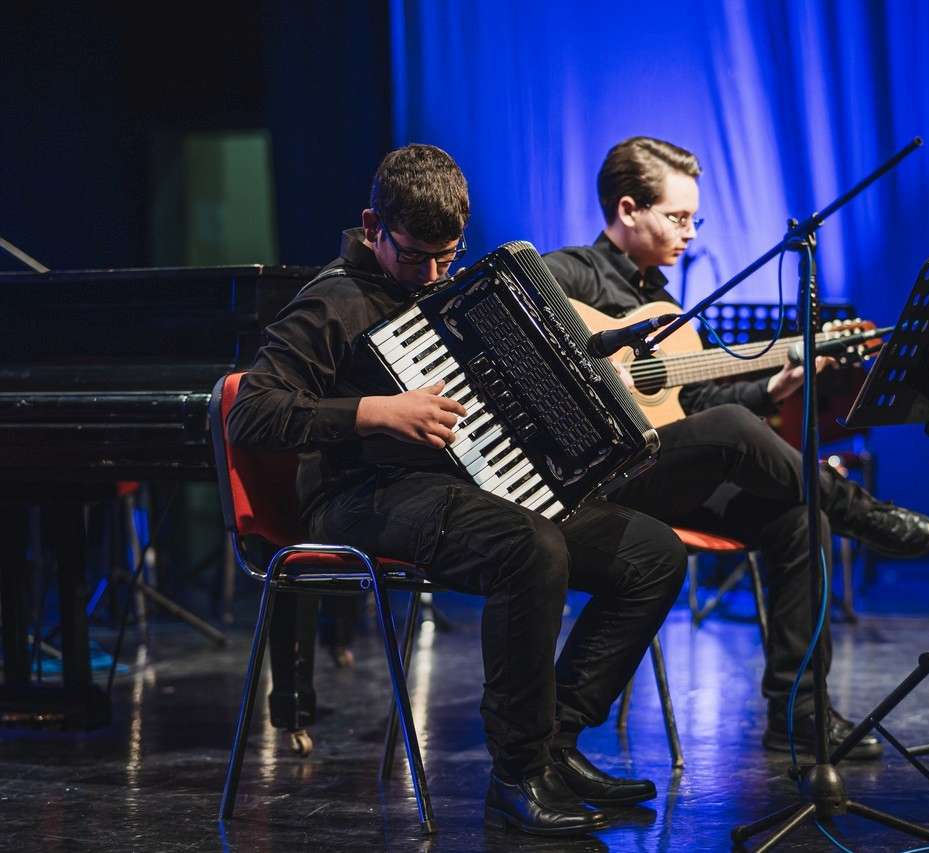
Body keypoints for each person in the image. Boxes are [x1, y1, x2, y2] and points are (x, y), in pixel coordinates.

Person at [227, 143, 687, 837]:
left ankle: (555, 741)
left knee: (652, 553)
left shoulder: (453, 289)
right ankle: (517, 773)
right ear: (373, 226)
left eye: (447, 257)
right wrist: (374, 412)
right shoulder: (331, 302)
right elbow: (252, 411)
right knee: (529, 547)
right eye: (416, 257)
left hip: (465, 484)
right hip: (359, 495)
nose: (433, 275)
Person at [543, 137, 929, 760]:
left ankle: (797, 712)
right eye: (678, 218)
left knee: (798, 517)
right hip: (598, 481)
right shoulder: (567, 274)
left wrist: (772, 388)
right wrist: (596, 373)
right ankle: (859, 511)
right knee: (733, 427)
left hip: (662, 476)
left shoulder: (668, 306)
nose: (690, 233)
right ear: (627, 209)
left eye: (694, 220)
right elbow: (516, 331)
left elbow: (694, 406)